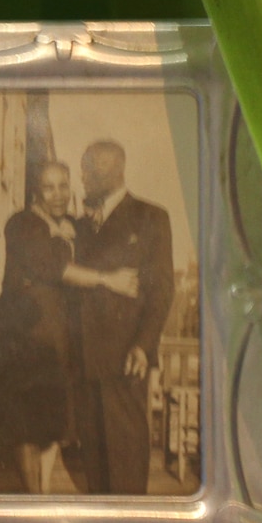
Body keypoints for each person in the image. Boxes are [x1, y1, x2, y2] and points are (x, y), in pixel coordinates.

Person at [0, 161, 137, 493]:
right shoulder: (21, 224)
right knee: (25, 423)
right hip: (23, 333)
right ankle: (32, 496)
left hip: (57, 335)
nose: (58, 195)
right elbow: (56, 269)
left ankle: (42, 494)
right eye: (49, 187)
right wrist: (108, 280)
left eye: (64, 186)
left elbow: (99, 247)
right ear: (36, 191)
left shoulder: (70, 227)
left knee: (54, 420)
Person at [68, 140, 174, 495]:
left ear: (111, 169)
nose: (82, 177)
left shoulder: (151, 217)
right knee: (93, 457)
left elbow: (161, 292)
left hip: (125, 356)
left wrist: (144, 347)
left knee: (126, 452)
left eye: (87, 169)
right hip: (84, 356)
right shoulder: (81, 226)